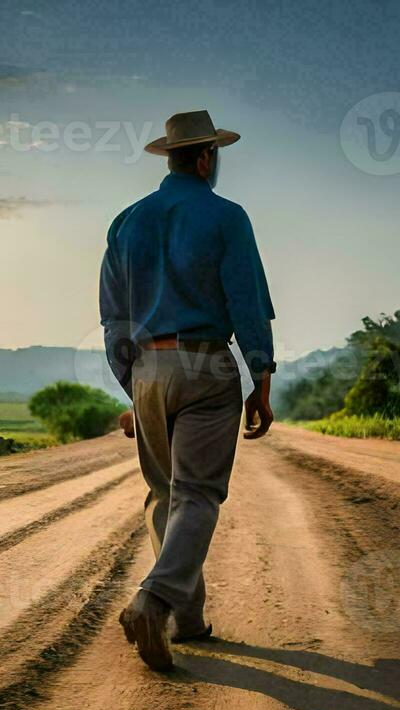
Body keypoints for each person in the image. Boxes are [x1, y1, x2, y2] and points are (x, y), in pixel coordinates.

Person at [99, 110, 276, 672]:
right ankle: (154, 601)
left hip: (147, 367)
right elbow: (246, 299)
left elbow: (111, 318)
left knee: (163, 494)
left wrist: (134, 383)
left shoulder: (125, 222)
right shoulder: (227, 217)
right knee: (198, 494)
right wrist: (261, 377)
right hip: (206, 365)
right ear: (205, 158)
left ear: (169, 158)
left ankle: (187, 618)